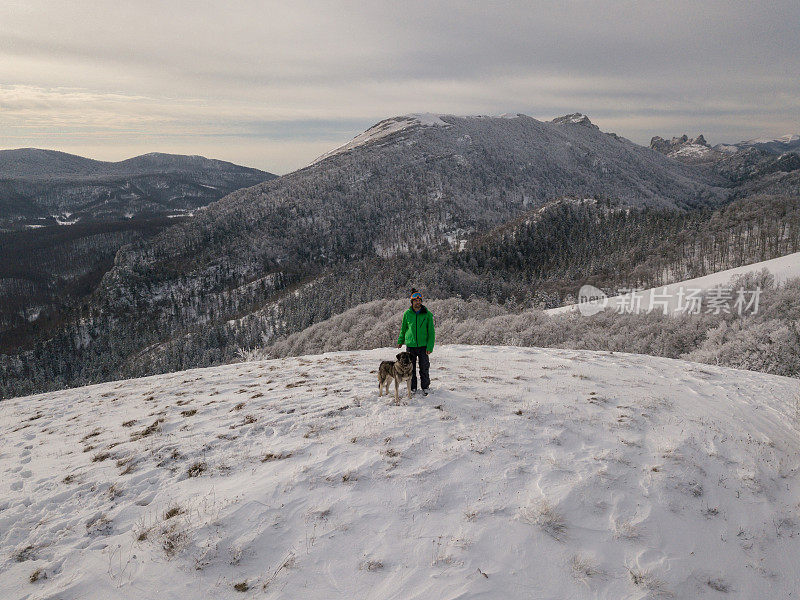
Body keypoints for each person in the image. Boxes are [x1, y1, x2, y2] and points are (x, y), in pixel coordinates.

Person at [397, 289, 435, 395]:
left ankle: (425, 387)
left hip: (423, 346)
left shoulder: (427, 314)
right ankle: (412, 387)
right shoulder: (407, 314)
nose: (418, 302)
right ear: (412, 302)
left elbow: (431, 332)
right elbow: (403, 328)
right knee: (410, 368)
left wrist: (430, 347)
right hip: (410, 346)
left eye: (419, 300)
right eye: (415, 300)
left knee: (424, 367)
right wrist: (400, 340)